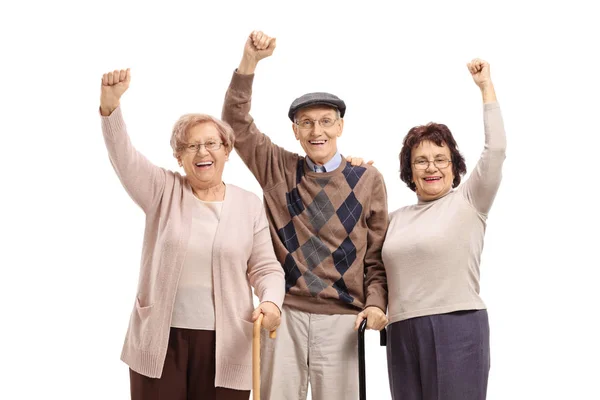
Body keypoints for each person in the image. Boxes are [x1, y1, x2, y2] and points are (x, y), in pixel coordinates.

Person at [221, 31, 389, 400]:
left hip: (345, 319)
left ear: (340, 127)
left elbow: (377, 256)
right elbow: (234, 122)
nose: (318, 131)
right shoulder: (277, 168)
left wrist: (376, 302)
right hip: (285, 314)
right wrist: (249, 62)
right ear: (295, 131)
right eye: (307, 123)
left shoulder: (368, 179)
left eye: (326, 121)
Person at [99, 68, 285, 400]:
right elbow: (124, 158)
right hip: (160, 342)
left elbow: (265, 267)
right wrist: (111, 109)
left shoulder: (248, 204)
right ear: (179, 157)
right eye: (191, 146)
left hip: (227, 344)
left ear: (227, 151)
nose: (202, 152)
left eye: (212, 143)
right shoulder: (162, 190)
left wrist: (270, 301)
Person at [382, 59, 506, 400]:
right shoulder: (395, 218)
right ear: (409, 170)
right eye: (421, 160)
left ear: (455, 166)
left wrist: (485, 88)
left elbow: (495, 151)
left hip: (458, 326)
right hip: (402, 331)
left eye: (440, 158)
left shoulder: (469, 200)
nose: (431, 167)